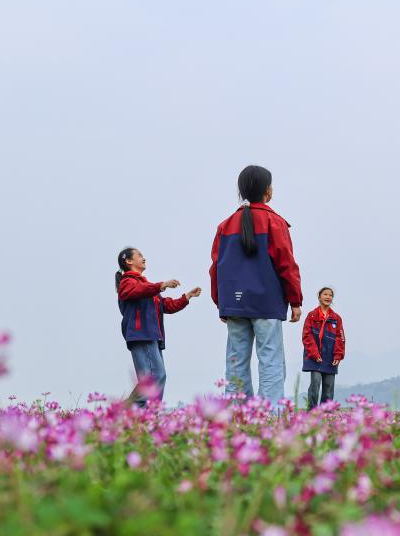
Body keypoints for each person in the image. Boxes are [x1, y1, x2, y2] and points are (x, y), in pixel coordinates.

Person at [210, 165, 303, 400]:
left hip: (235, 304)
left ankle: (237, 416)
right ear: (268, 191)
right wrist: (295, 300)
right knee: (270, 360)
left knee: (235, 362)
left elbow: (216, 268)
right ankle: (270, 416)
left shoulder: (225, 225)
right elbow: (286, 264)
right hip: (266, 302)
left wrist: (221, 302)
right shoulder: (274, 222)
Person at [115, 247, 201, 407]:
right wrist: (161, 285)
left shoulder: (146, 286)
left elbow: (165, 305)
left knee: (155, 377)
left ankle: (143, 413)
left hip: (151, 336)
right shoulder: (127, 283)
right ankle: (136, 411)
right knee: (155, 377)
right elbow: (137, 291)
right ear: (128, 261)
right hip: (141, 335)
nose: (144, 258)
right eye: (140, 256)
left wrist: (186, 297)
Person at [302, 286, 346, 409]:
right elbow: (307, 336)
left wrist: (338, 355)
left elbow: (340, 338)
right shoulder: (311, 316)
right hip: (313, 356)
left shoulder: (336, 318)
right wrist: (315, 354)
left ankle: (327, 416)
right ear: (319, 296)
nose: (328, 297)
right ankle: (312, 412)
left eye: (330, 295)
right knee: (315, 384)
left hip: (330, 357)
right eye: (325, 294)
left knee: (328, 387)